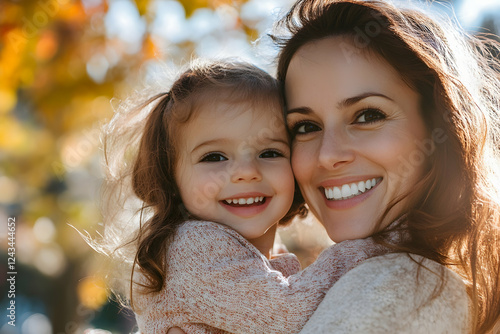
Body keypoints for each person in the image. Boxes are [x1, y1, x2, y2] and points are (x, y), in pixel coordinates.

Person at [97, 59, 391, 334]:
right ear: (171, 179)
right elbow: (288, 314)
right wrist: (378, 245)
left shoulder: (252, 254)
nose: (246, 172)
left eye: (270, 152)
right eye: (214, 157)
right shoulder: (192, 247)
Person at [269, 0, 500, 333]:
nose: (327, 155)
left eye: (368, 115)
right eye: (305, 126)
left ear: (442, 126)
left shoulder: (403, 284)